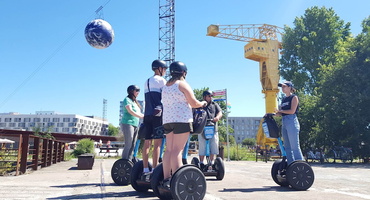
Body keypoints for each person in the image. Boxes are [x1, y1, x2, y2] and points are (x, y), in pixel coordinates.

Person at [161, 61, 207, 187]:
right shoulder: (182, 84)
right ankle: (177, 181)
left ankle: (166, 179)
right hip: (181, 120)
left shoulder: (166, 87)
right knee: (177, 151)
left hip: (167, 121)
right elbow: (194, 103)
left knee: (169, 150)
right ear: (184, 72)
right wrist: (202, 103)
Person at [142, 60, 168, 175]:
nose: (165, 71)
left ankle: (145, 169)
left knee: (147, 143)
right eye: (164, 69)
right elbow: (166, 97)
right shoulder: (162, 81)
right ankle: (155, 170)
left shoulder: (146, 81)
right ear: (159, 68)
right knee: (157, 144)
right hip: (157, 115)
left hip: (147, 114)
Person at [274, 81, 304, 164]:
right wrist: (276, 113)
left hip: (292, 121)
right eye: (282, 87)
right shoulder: (284, 99)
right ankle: (291, 165)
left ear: (290, 87)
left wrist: (280, 110)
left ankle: (300, 165)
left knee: (295, 146)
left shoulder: (294, 97)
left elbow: (292, 111)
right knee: (287, 147)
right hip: (284, 122)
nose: (283, 88)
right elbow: (282, 113)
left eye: (284, 86)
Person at [198, 90, 222, 171]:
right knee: (202, 146)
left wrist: (217, 118)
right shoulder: (201, 104)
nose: (211, 97)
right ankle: (201, 163)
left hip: (213, 128)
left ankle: (211, 163)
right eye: (209, 96)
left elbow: (220, 112)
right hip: (202, 128)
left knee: (213, 145)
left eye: (211, 96)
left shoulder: (214, 105)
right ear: (204, 97)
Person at [120, 85, 144, 161]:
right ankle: (123, 161)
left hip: (135, 124)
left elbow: (139, 113)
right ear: (131, 91)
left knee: (133, 144)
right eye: (136, 91)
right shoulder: (127, 100)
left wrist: (146, 116)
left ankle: (129, 161)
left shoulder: (135, 102)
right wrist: (141, 117)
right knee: (128, 144)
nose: (138, 92)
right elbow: (130, 111)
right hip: (128, 123)